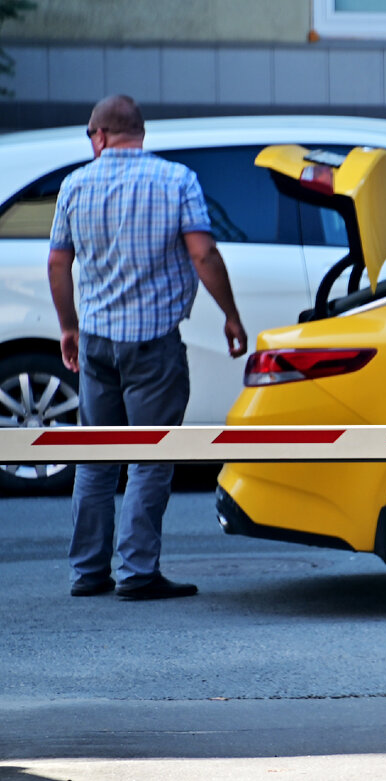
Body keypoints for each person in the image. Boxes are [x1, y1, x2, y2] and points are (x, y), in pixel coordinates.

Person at [47, 94, 248, 601]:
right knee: (151, 458)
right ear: (140, 132)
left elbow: (57, 263)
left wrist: (68, 326)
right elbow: (202, 252)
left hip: (95, 342)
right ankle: (137, 573)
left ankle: (88, 573)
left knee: (95, 458)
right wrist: (230, 314)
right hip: (154, 344)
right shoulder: (176, 180)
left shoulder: (75, 184)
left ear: (98, 134)